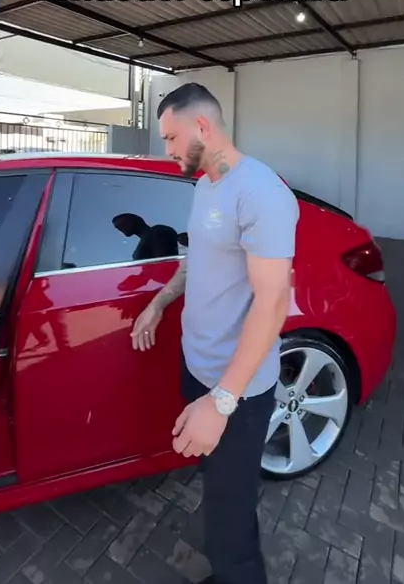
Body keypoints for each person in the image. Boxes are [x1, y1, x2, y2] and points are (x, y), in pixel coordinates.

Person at [131, 82, 299, 584]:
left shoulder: (261, 192)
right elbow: (195, 259)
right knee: (223, 498)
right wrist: (159, 303)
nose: (167, 149)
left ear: (202, 126)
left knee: (231, 530)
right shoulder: (206, 186)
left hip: (237, 394)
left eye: (170, 137)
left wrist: (221, 402)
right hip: (199, 372)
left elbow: (273, 302)